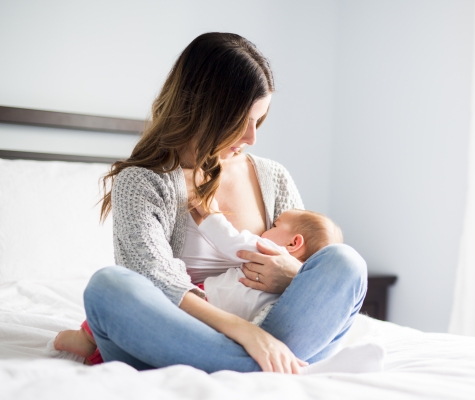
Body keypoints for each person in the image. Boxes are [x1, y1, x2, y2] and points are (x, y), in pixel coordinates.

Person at [56, 32, 370, 374]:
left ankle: (244, 367)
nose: (252, 137)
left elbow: (310, 265)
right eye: (241, 121)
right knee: (108, 288)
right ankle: (266, 368)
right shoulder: (143, 182)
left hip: (265, 331)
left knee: (345, 262)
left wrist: (292, 276)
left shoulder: (273, 177)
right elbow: (156, 282)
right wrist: (247, 334)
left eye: (258, 120)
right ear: (204, 109)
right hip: (176, 334)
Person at [54, 206, 345, 359]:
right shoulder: (301, 288)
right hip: (232, 326)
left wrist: (206, 209)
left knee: (149, 300)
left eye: (275, 225)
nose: (266, 229)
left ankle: (88, 337)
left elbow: (228, 239)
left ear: (294, 242)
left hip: (207, 300)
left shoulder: (269, 251)